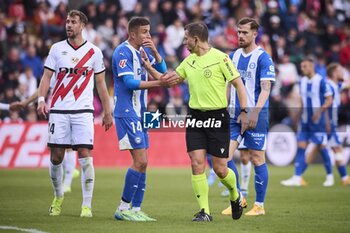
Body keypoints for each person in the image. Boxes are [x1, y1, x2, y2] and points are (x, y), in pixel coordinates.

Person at [36, 10, 113, 218]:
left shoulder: (94, 52)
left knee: (86, 156)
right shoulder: (56, 49)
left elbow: (101, 84)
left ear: (82, 26)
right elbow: (46, 77)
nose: (68, 25)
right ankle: (58, 196)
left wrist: (108, 111)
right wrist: (41, 100)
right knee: (57, 156)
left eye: (73, 22)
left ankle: (86, 205)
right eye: (67, 22)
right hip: (59, 110)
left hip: (83, 111)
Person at [174, 21, 248, 221]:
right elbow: (170, 79)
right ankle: (205, 212)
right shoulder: (188, 61)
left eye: (186, 38)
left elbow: (239, 85)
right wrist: (152, 61)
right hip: (195, 117)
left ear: (195, 39)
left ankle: (235, 194)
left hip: (217, 117)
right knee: (197, 164)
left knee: (220, 169)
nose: (184, 42)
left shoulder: (221, 58)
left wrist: (244, 111)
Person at [112, 17, 178, 222]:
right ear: (132, 34)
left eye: (149, 31)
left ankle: (136, 208)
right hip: (126, 111)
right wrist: (158, 83)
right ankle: (123, 208)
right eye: (144, 32)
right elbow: (130, 82)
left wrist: (156, 52)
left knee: (145, 162)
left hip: (143, 112)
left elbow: (164, 71)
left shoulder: (142, 51)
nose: (148, 36)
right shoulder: (122, 52)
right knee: (140, 160)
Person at [221, 17, 275, 217]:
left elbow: (266, 88)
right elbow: (229, 85)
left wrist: (254, 112)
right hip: (234, 115)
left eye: (244, 32)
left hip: (255, 116)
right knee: (223, 158)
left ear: (254, 34)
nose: (240, 36)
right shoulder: (232, 56)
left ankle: (259, 205)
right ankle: (239, 199)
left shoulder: (263, 58)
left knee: (257, 158)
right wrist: (223, 109)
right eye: (238, 32)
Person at [281, 58, 333, 187]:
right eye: (301, 66)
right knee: (301, 148)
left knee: (322, 147)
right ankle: (297, 177)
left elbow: (329, 100)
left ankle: (330, 176)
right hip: (305, 121)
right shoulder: (302, 82)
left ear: (311, 67)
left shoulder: (321, 81)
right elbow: (303, 102)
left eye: (304, 66)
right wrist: (298, 116)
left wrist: (320, 113)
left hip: (318, 121)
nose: (302, 69)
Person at [304, 63, 350, 186]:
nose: (343, 73)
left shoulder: (336, 85)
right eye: (340, 70)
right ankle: (340, 177)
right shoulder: (328, 85)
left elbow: (346, 84)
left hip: (328, 122)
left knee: (320, 147)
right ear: (334, 73)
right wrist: (327, 121)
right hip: (327, 122)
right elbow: (324, 104)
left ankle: (299, 175)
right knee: (334, 147)